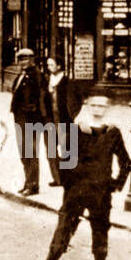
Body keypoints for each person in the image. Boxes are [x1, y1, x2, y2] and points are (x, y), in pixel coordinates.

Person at [22, 95, 131, 260]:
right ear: (88, 106)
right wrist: (70, 186)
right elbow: (66, 162)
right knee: (63, 229)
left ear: (107, 108)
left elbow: (126, 161)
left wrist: (116, 184)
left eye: (102, 106)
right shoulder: (76, 129)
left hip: (100, 193)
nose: (98, 109)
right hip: (77, 191)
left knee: (100, 233)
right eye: (94, 105)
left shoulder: (113, 132)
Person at [10, 48, 44, 195]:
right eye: (21, 60)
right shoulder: (21, 75)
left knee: (30, 152)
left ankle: (33, 185)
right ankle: (27, 181)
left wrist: (33, 108)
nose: (23, 63)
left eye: (26, 59)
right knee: (24, 152)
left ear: (32, 60)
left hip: (32, 119)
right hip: (20, 118)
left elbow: (41, 96)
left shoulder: (36, 75)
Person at [43, 56, 74, 187]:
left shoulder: (67, 81)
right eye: (48, 65)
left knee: (66, 148)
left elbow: (76, 100)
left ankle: (68, 178)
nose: (49, 67)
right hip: (49, 119)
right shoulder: (47, 80)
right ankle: (58, 178)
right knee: (51, 150)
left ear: (59, 66)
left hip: (63, 119)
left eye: (51, 65)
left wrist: (72, 115)